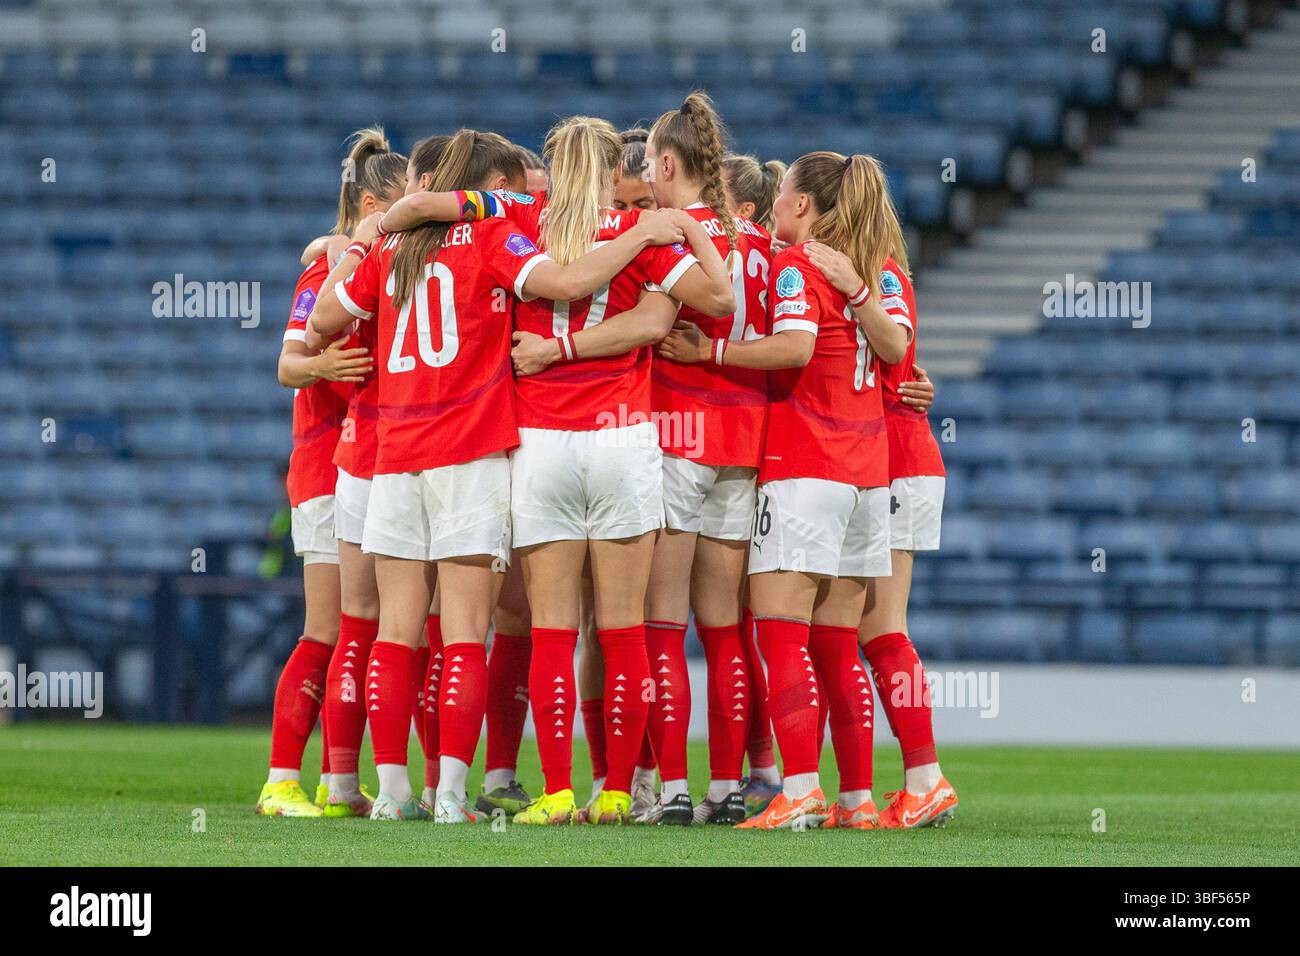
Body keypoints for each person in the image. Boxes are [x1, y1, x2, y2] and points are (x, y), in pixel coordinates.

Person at [309, 128, 689, 821]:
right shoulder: (491, 239)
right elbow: (568, 282)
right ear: (486, 188)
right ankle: (451, 795)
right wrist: (641, 233)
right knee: (462, 633)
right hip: (470, 452)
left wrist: (359, 240)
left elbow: (320, 324)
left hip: (393, 457)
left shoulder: (388, 251)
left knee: (396, 631)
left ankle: (392, 794)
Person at [659, 151, 909, 829]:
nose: (774, 204)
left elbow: (795, 347)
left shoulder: (801, 265)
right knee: (836, 643)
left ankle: (798, 788)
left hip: (807, 468)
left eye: (784, 193)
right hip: (867, 473)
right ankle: (855, 798)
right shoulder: (877, 269)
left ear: (801, 204)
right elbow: (894, 353)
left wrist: (707, 354)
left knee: (779, 638)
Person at [255, 128, 406, 818]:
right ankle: (281, 780)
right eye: (402, 204)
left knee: (360, 629)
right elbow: (288, 364)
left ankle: (336, 781)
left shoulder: (359, 263)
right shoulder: (327, 270)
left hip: (367, 462)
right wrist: (322, 366)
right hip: (325, 466)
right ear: (374, 202)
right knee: (327, 629)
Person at [809, 242, 956, 828]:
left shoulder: (878, 272)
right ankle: (872, 791)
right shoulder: (873, 269)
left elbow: (895, 345)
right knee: (855, 633)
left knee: (881, 630)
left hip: (894, 458)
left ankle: (923, 778)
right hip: (885, 458)